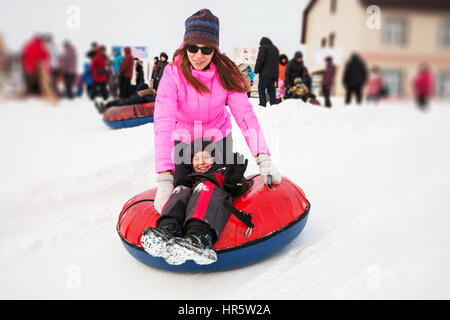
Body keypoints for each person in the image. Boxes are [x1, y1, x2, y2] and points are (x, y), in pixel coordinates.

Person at [152, 8, 281, 225]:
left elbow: (245, 116)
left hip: (216, 139)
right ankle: (170, 228)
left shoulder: (226, 73)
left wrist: (263, 158)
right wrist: (164, 178)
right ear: (185, 47)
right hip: (183, 139)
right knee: (182, 185)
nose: (199, 55)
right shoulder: (173, 73)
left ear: (215, 49)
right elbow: (163, 122)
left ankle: (200, 230)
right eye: (193, 48)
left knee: (214, 184)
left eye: (206, 49)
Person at [141, 140, 250, 265]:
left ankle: (199, 238)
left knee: (204, 187)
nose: (201, 162)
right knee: (181, 190)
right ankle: (168, 231)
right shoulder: (189, 180)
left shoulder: (222, 173)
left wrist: (234, 181)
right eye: (196, 159)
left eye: (206, 157)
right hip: (190, 208)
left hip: (213, 207)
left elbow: (240, 188)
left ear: (214, 160)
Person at [254, 37, 279, 107]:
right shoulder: (275, 49)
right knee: (271, 89)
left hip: (265, 74)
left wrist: (256, 70)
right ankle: (273, 104)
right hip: (273, 74)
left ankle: (262, 104)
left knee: (261, 88)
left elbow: (260, 60)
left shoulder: (263, 48)